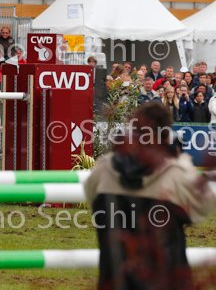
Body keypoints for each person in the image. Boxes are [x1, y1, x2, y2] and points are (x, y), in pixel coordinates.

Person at [84, 102, 216, 289]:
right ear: (165, 134)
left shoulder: (104, 168)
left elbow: (92, 198)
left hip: (114, 279)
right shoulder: (177, 172)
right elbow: (202, 208)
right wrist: (180, 159)